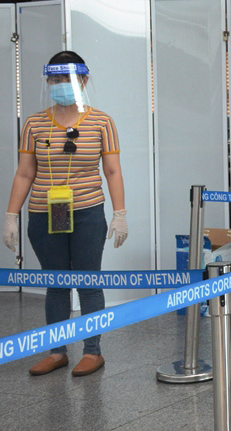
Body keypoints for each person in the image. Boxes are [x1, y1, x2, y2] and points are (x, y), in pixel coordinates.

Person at [2, 51, 128, 377]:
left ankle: (92, 351)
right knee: (56, 284)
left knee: (87, 281)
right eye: (55, 80)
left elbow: (112, 171)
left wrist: (120, 213)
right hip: (46, 213)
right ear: (48, 81)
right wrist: (11, 216)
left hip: (87, 212)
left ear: (84, 80)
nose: (61, 85)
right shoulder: (34, 122)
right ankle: (57, 350)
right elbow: (24, 173)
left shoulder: (102, 122)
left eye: (67, 79)